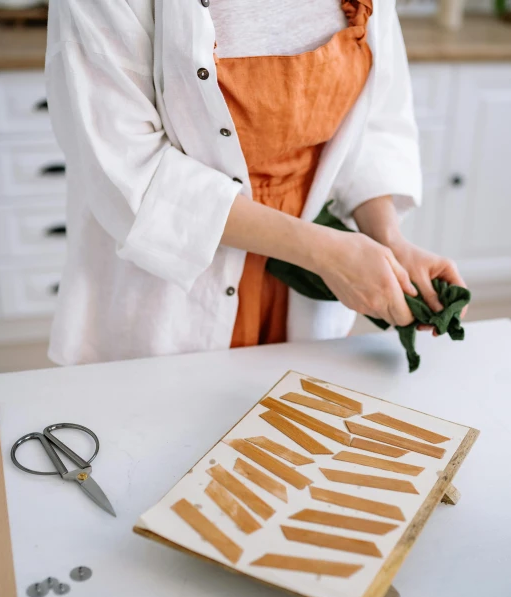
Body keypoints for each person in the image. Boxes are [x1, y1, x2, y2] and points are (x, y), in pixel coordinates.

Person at [45, 0, 466, 365]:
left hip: (304, 285)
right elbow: (129, 168)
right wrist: (322, 253)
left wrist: (388, 239)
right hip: (166, 289)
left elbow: (370, 121)